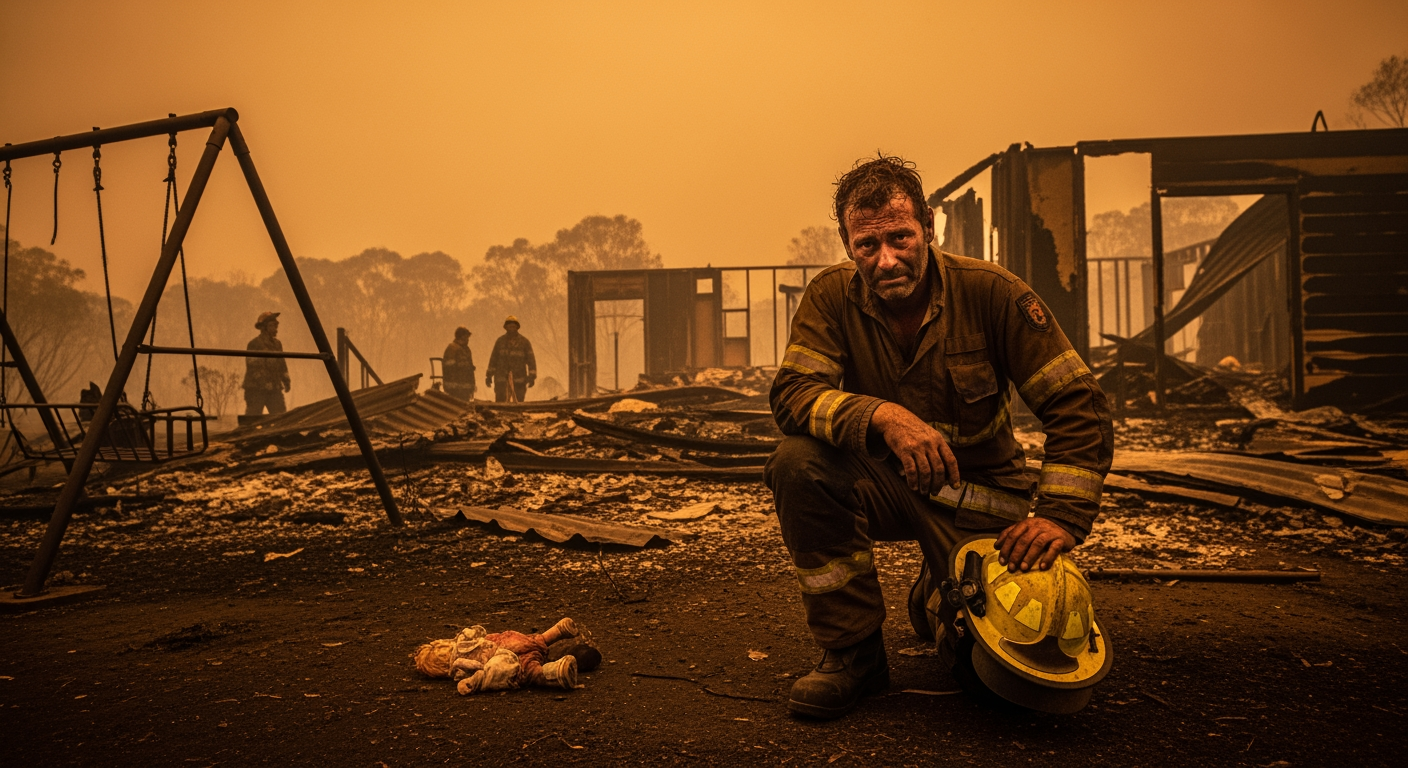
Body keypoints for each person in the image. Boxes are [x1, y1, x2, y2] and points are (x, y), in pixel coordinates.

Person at [765, 156, 1113, 719]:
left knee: (1006, 684)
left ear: (928, 225)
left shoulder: (994, 294)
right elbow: (792, 394)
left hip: (982, 503)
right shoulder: (831, 297)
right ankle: (853, 655)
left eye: (901, 237)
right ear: (846, 243)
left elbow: (1078, 404)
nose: (887, 260)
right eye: (867, 245)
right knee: (798, 463)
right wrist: (880, 415)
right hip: (889, 485)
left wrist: (1060, 516)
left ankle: (937, 593)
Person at [242, 311, 291, 417]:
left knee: (281, 417)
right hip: (256, 389)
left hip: (274, 388)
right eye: (273, 325)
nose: (276, 328)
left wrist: (286, 380)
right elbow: (253, 367)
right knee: (252, 419)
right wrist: (264, 382)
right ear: (264, 327)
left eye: (276, 325)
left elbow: (282, 364)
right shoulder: (255, 344)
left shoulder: (277, 344)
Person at [486, 316, 536, 403]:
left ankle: (518, 416)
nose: (511, 329)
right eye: (509, 326)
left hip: (519, 378)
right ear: (506, 328)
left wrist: (532, 377)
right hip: (501, 378)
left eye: (513, 326)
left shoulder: (524, 342)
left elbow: (531, 360)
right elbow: (493, 359)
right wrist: (489, 375)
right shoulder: (500, 342)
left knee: (519, 401)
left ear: (517, 327)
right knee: (500, 401)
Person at [441, 326, 477, 402]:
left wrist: (472, 387)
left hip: (465, 389)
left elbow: (470, 369)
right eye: (466, 337)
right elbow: (449, 368)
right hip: (455, 388)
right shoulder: (452, 348)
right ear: (461, 336)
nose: (468, 339)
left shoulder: (466, 349)